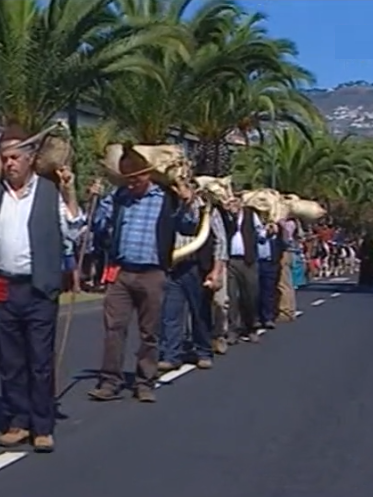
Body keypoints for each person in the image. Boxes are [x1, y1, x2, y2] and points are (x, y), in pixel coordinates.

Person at [0, 122, 83, 453]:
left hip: (40, 288)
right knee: (10, 360)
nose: (9, 163)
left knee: (39, 359)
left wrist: (71, 193)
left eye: (14, 157)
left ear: (30, 158)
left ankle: (42, 425)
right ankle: (17, 420)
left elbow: (73, 231)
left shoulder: (49, 192)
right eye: (4, 158)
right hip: (4, 287)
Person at [86, 145, 198, 403]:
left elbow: (188, 227)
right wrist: (96, 201)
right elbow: (99, 228)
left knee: (150, 331)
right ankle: (109, 381)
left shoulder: (167, 198)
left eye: (137, 178)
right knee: (114, 328)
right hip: (121, 273)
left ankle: (145, 382)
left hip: (153, 273)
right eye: (128, 179)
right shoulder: (118, 197)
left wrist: (187, 202)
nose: (133, 183)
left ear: (148, 175)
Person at [159, 187, 227, 371]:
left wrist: (216, 270)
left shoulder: (208, 209)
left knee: (199, 312)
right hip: (174, 267)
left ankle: (203, 351)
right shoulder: (170, 206)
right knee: (170, 313)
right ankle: (171, 355)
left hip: (198, 267)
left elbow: (220, 240)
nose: (181, 189)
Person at [218, 196, 264, 345]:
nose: (233, 204)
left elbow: (261, 233)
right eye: (230, 202)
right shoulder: (225, 216)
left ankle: (251, 327)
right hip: (231, 260)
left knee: (250, 295)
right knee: (232, 297)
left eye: (236, 201)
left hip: (248, 261)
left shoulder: (251, 215)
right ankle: (233, 330)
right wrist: (229, 215)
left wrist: (269, 231)